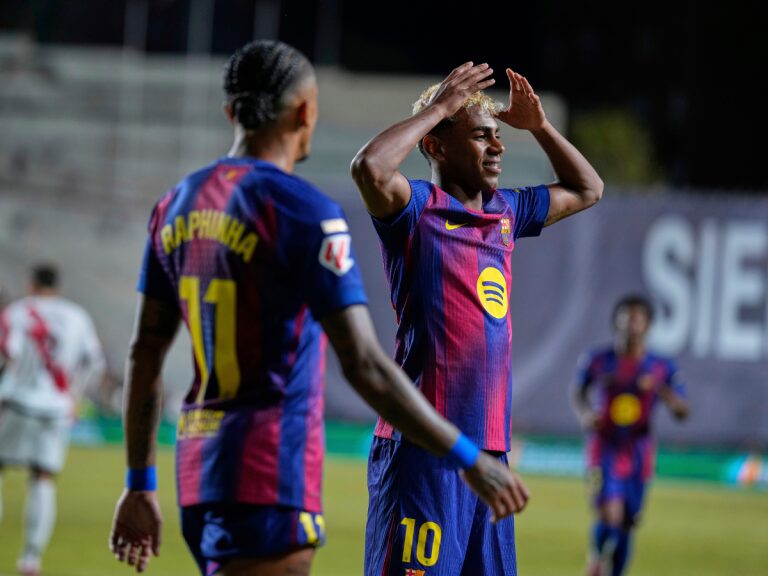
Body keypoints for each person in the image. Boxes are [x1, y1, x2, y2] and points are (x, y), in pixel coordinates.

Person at [108, 41, 528, 576]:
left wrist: (139, 482)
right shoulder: (304, 210)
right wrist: (467, 456)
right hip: (272, 469)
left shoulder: (176, 204)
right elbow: (365, 363)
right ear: (305, 111)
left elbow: (145, 352)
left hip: (199, 468)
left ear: (230, 111)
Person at [350, 62, 604, 574]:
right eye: (480, 136)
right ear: (436, 146)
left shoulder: (506, 212)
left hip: (489, 454)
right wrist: (440, 107)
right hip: (423, 448)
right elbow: (369, 168)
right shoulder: (416, 209)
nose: (497, 147)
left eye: (497, 135)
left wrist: (540, 127)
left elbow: (588, 188)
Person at [0, 263, 106, 576]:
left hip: (16, 402)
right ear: (56, 286)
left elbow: (8, 353)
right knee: (43, 478)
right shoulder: (77, 316)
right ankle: (31, 559)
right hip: (56, 408)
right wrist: (74, 394)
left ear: (31, 283)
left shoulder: (17, 312)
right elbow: (95, 362)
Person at [572, 294, 689, 576]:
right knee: (610, 513)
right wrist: (586, 414)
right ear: (616, 323)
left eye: (637, 319)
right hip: (604, 446)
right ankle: (597, 557)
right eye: (626, 318)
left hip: (639, 450)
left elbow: (683, 411)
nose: (631, 325)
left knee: (627, 522)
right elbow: (579, 391)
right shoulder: (598, 360)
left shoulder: (661, 367)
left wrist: (659, 389)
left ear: (648, 325)